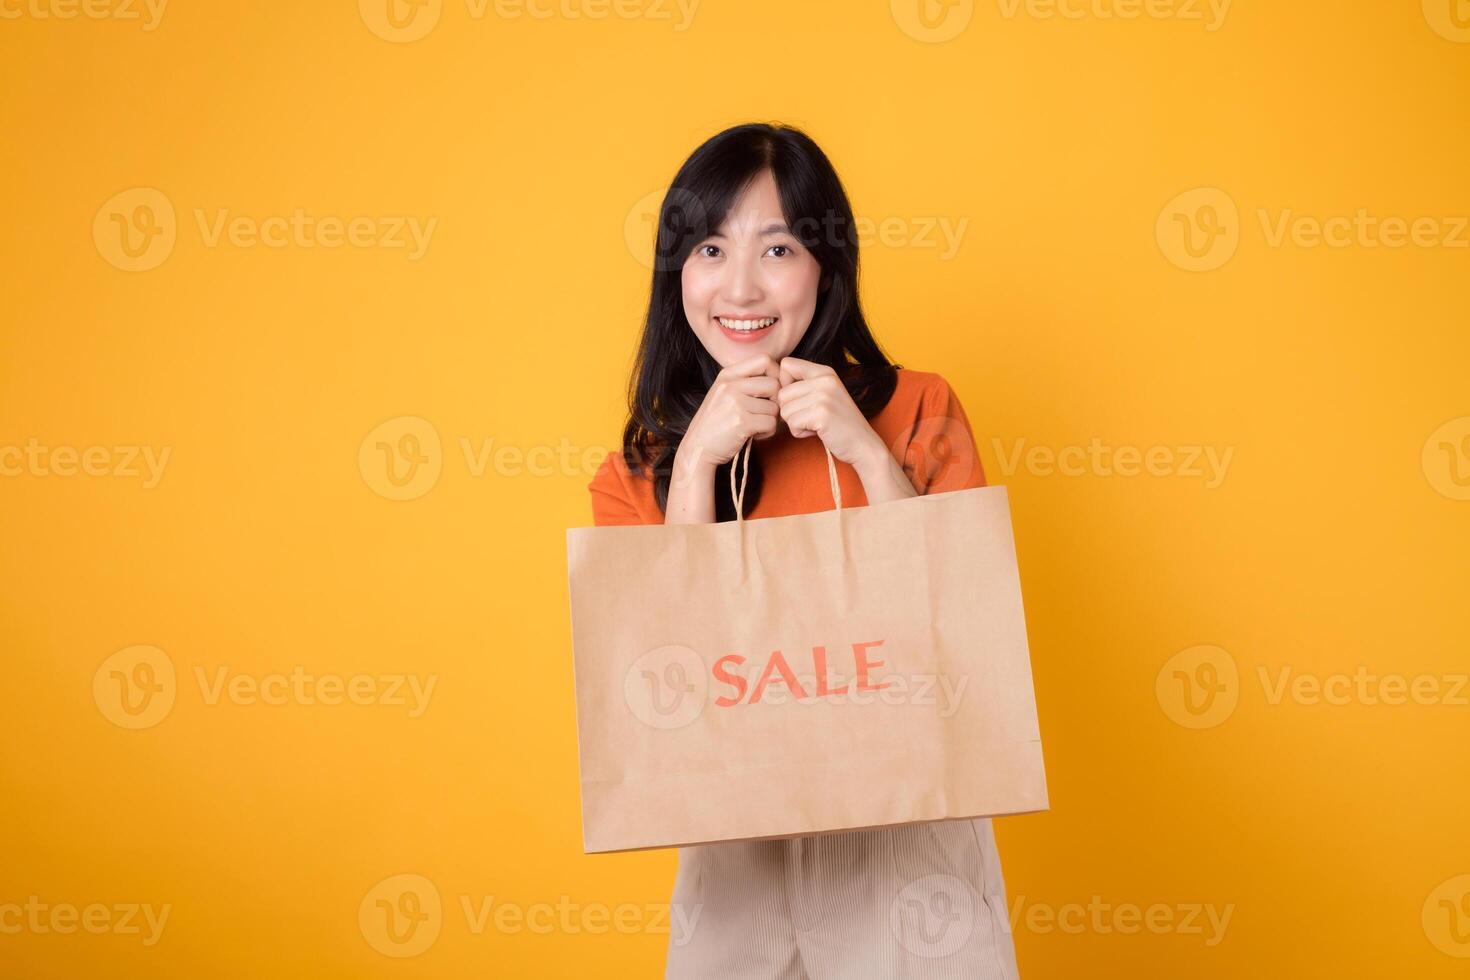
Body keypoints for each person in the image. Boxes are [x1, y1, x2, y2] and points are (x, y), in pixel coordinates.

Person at [587, 122, 1020, 980]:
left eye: (777, 247)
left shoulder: (917, 409)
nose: (739, 285)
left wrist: (863, 449)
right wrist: (699, 466)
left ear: (827, 267)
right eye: (710, 248)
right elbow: (664, 687)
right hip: (733, 875)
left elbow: (959, 626)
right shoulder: (637, 472)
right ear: (678, 273)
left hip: (909, 860)